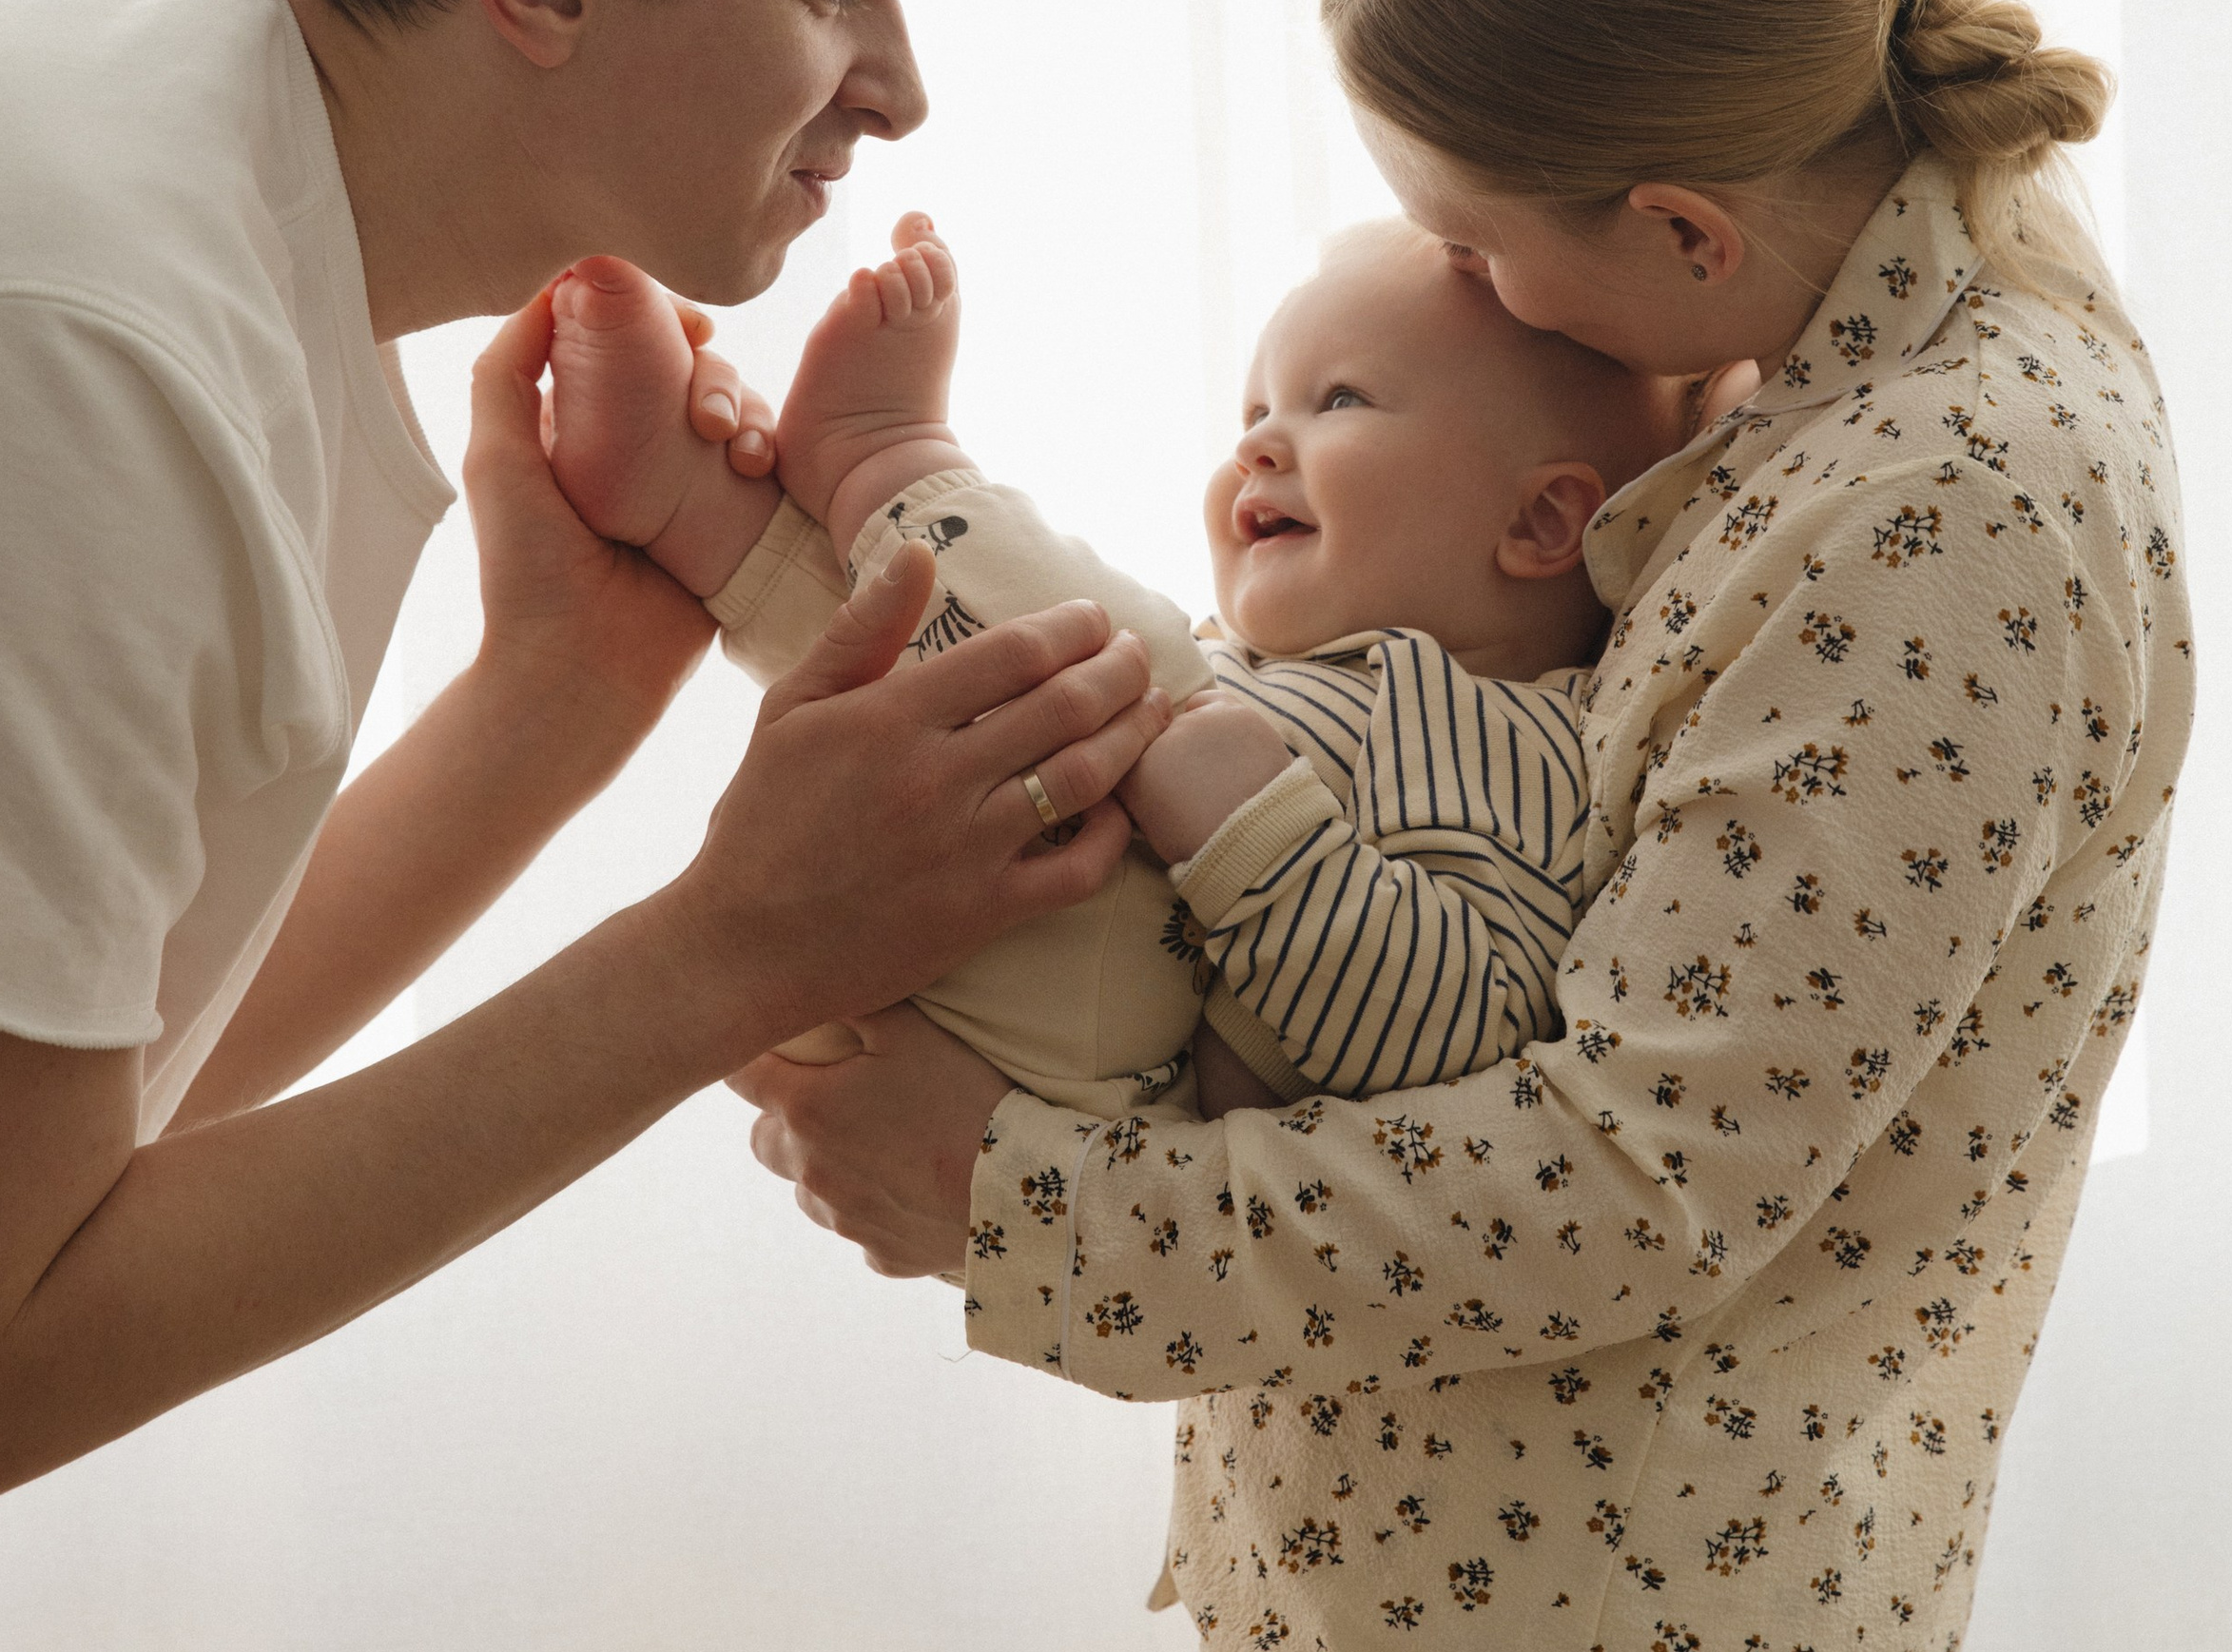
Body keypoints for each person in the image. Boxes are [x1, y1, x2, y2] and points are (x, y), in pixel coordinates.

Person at [737, 0, 2193, 1652]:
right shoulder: (1816, 355)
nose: (1456, 286)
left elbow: (1639, 1176)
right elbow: (1415, 803)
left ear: (1681, 231)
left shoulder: (1943, 495)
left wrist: (1024, 1207)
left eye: (1474, 240)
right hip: (1472, 1633)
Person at [0, 0, 1169, 1506]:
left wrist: (556, 698)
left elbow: (62, 1113)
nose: (902, 91)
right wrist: (728, 953)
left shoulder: (165, 154)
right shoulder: (82, 359)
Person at [544, 210, 1697, 1116]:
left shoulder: (1519, 743)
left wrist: (1252, 828)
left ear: (1543, 526)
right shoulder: (1259, 672)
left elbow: (1457, 1043)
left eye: (1339, 399)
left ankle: (885, 463)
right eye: (1255, 406)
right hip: (923, 944)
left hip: (1126, 1052)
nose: (1254, 442)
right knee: (973, 678)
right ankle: (703, 518)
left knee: (1121, 666)